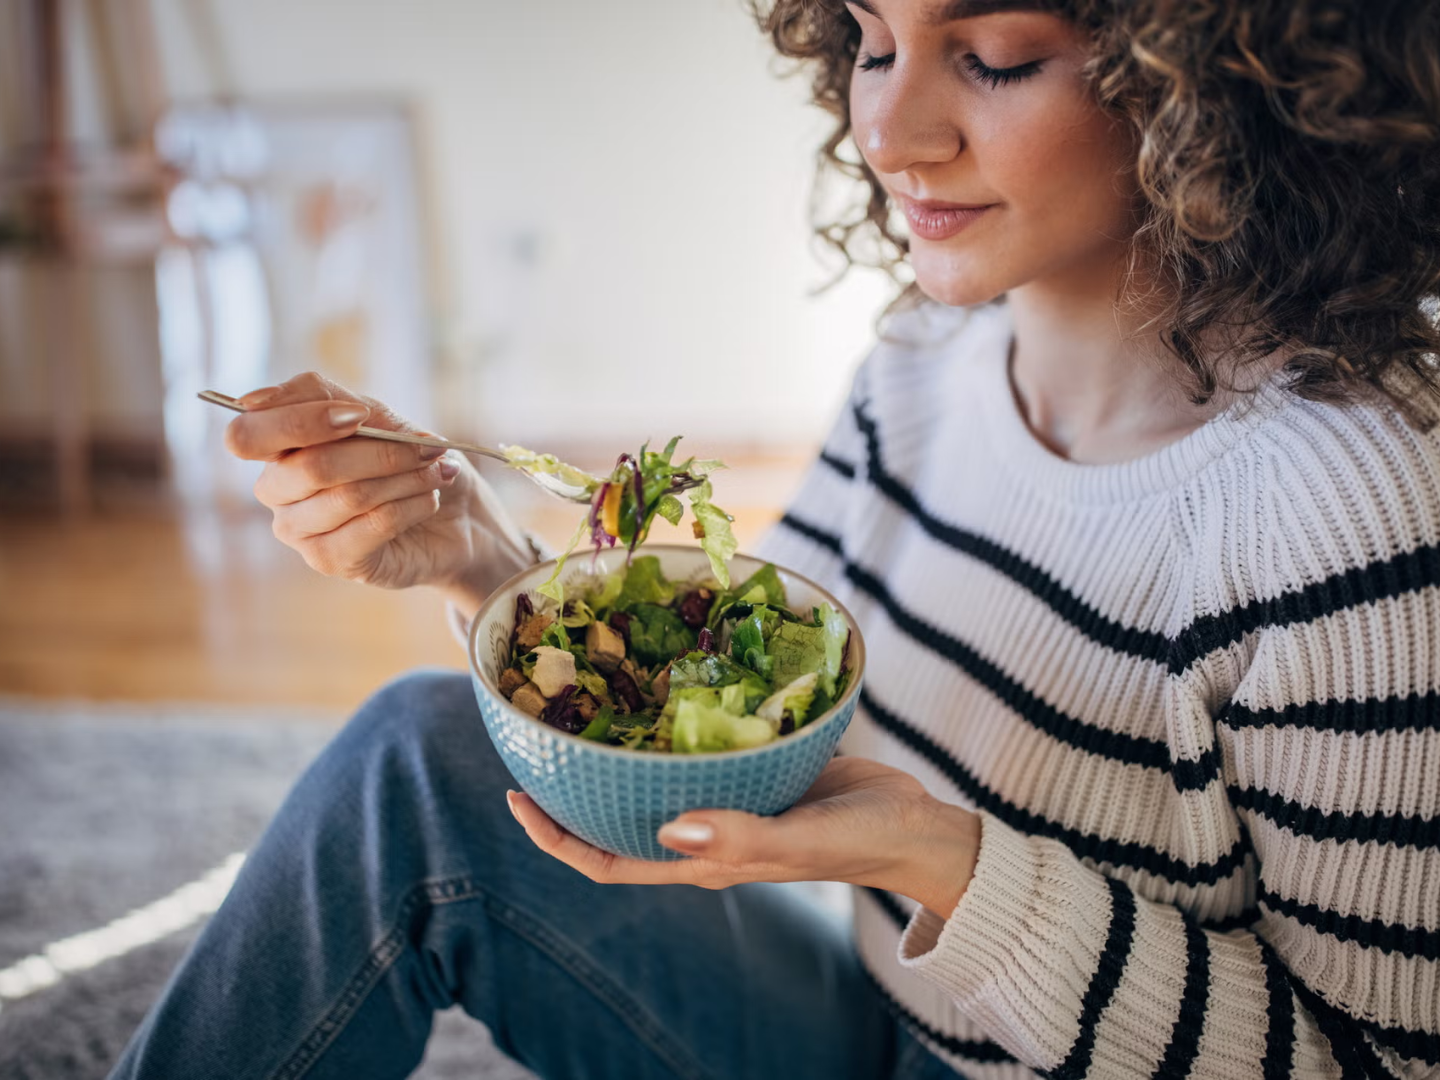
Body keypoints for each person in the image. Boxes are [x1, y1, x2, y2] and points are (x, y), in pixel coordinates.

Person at [112, 0, 1440, 1076]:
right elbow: (755, 726)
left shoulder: (1355, 505)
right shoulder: (925, 358)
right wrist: (493, 567)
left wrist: (942, 863)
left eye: (991, 57)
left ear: (1220, 79)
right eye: (871, 40)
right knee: (418, 750)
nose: (889, 129)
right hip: (883, 1024)